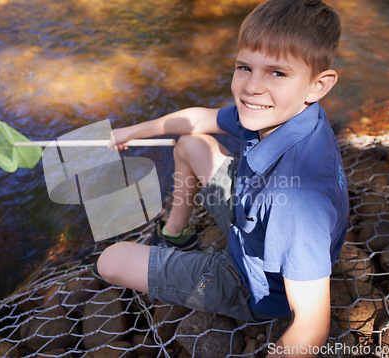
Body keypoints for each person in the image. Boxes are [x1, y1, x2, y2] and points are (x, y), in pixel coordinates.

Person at [95, 0, 349, 355]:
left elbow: (311, 324)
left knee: (110, 260)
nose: (251, 87)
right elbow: (201, 119)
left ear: (318, 85)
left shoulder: (298, 206)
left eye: (277, 73)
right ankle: (176, 235)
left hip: (249, 283)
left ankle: (203, 267)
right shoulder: (284, 113)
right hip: (253, 212)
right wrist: (131, 132)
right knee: (191, 144)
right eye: (245, 67)